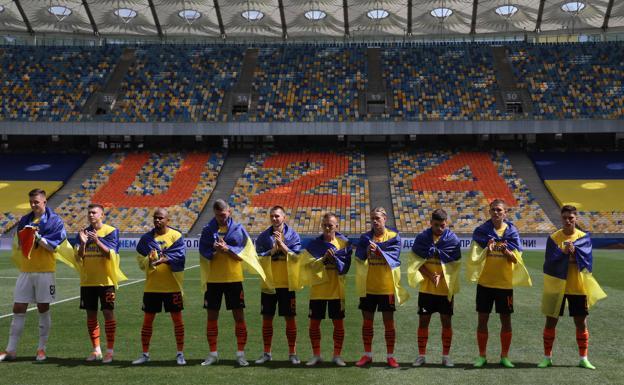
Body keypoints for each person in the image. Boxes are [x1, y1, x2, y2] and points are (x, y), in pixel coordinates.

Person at [0, 189, 72, 362]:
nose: (33, 205)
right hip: (26, 269)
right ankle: (11, 350)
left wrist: (37, 237)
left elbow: (53, 246)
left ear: (44, 202)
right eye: (31, 202)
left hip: (45, 271)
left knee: (43, 308)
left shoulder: (55, 220)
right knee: (18, 307)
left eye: (36, 202)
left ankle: (41, 349)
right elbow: (20, 243)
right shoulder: (25, 219)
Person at [538, 205, 607, 370]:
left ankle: (583, 358)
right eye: (565, 218)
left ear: (576, 219)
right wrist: (563, 252)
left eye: (571, 218)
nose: (568, 221)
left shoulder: (583, 238)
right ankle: (547, 358)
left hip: (577, 286)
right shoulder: (554, 238)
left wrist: (575, 253)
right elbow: (549, 263)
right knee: (550, 321)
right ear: (561, 219)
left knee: (581, 322)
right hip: (557, 286)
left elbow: (588, 263)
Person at [199, 199, 265, 367]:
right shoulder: (207, 230)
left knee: (239, 317)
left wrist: (227, 250)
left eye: (223, 214)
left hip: (234, 279)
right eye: (217, 215)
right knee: (212, 317)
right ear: (214, 213)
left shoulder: (238, 229)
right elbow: (204, 252)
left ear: (229, 212)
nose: (221, 218)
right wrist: (215, 249)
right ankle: (212, 354)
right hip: (213, 280)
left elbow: (243, 255)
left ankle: (240, 354)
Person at [466, 199, 531, 368]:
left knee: (506, 320)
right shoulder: (481, 232)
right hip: (485, 284)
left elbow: (516, 260)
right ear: (489, 211)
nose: (496, 213)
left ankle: (505, 356)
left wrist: (505, 250)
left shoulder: (512, 232)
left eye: (499, 210)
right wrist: (488, 248)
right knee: (482, 319)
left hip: (504, 285)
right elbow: (474, 257)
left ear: (505, 213)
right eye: (493, 210)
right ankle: (482, 356)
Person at [354, 207, 409, 368]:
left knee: (389, 324)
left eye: (378, 218)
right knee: (367, 323)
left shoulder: (393, 237)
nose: (375, 221)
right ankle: (367, 355)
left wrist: (378, 252)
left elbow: (393, 257)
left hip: (387, 287)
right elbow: (359, 258)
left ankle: (390, 356)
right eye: (373, 218)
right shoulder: (365, 238)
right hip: (368, 287)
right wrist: (366, 251)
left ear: (385, 218)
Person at [132, 208, 186, 366]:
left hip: (172, 286)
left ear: (167, 220)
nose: (157, 220)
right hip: (152, 287)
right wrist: (149, 260)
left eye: (161, 218)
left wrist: (165, 259)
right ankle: (145, 353)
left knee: (178, 321)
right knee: (147, 321)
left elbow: (180, 257)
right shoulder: (146, 239)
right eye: (155, 218)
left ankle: (180, 353)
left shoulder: (176, 236)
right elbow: (140, 262)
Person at [409, 209, 461, 367]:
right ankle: (421, 355)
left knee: (446, 322)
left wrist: (442, 276)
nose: (439, 228)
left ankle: (446, 356)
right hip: (426, 289)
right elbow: (415, 262)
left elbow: (455, 265)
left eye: (442, 226)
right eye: (436, 225)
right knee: (423, 322)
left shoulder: (453, 240)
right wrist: (431, 276)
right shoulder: (422, 238)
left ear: (446, 224)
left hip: (445, 290)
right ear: (430, 222)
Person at [74, 204, 126, 363]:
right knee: (91, 315)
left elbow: (110, 254)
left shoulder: (111, 231)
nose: (90, 215)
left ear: (102, 214)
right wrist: (83, 243)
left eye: (94, 212)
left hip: (106, 281)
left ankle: (109, 351)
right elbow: (78, 257)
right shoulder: (82, 233)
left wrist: (96, 240)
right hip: (88, 281)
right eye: (89, 212)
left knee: (108, 313)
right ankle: (96, 350)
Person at [301, 212, 351, 367]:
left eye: (330, 225)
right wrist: (323, 259)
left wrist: (334, 260)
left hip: (337, 290)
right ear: (321, 226)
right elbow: (307, 266)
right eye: (325, 225)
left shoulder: (344, 244)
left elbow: (346, 268)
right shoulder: (314, 244)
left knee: (339, 324)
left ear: (336, 226)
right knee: (314, 324)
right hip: (318, 290)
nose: (327, 228)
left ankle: (337, 355)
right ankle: (316, 355)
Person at [255, 206, 303, 365]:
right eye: (272, 216)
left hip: (287, 284)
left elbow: (297, 257)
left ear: (284, 217)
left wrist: (281, 245)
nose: (274, 219)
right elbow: (258, 258)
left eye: (277, 216)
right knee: (267, 319)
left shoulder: (293, 235)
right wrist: (272, 250)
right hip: (269, 284)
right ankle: (267, 353)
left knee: (290, 319)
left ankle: (292, 353)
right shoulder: (263, 237)